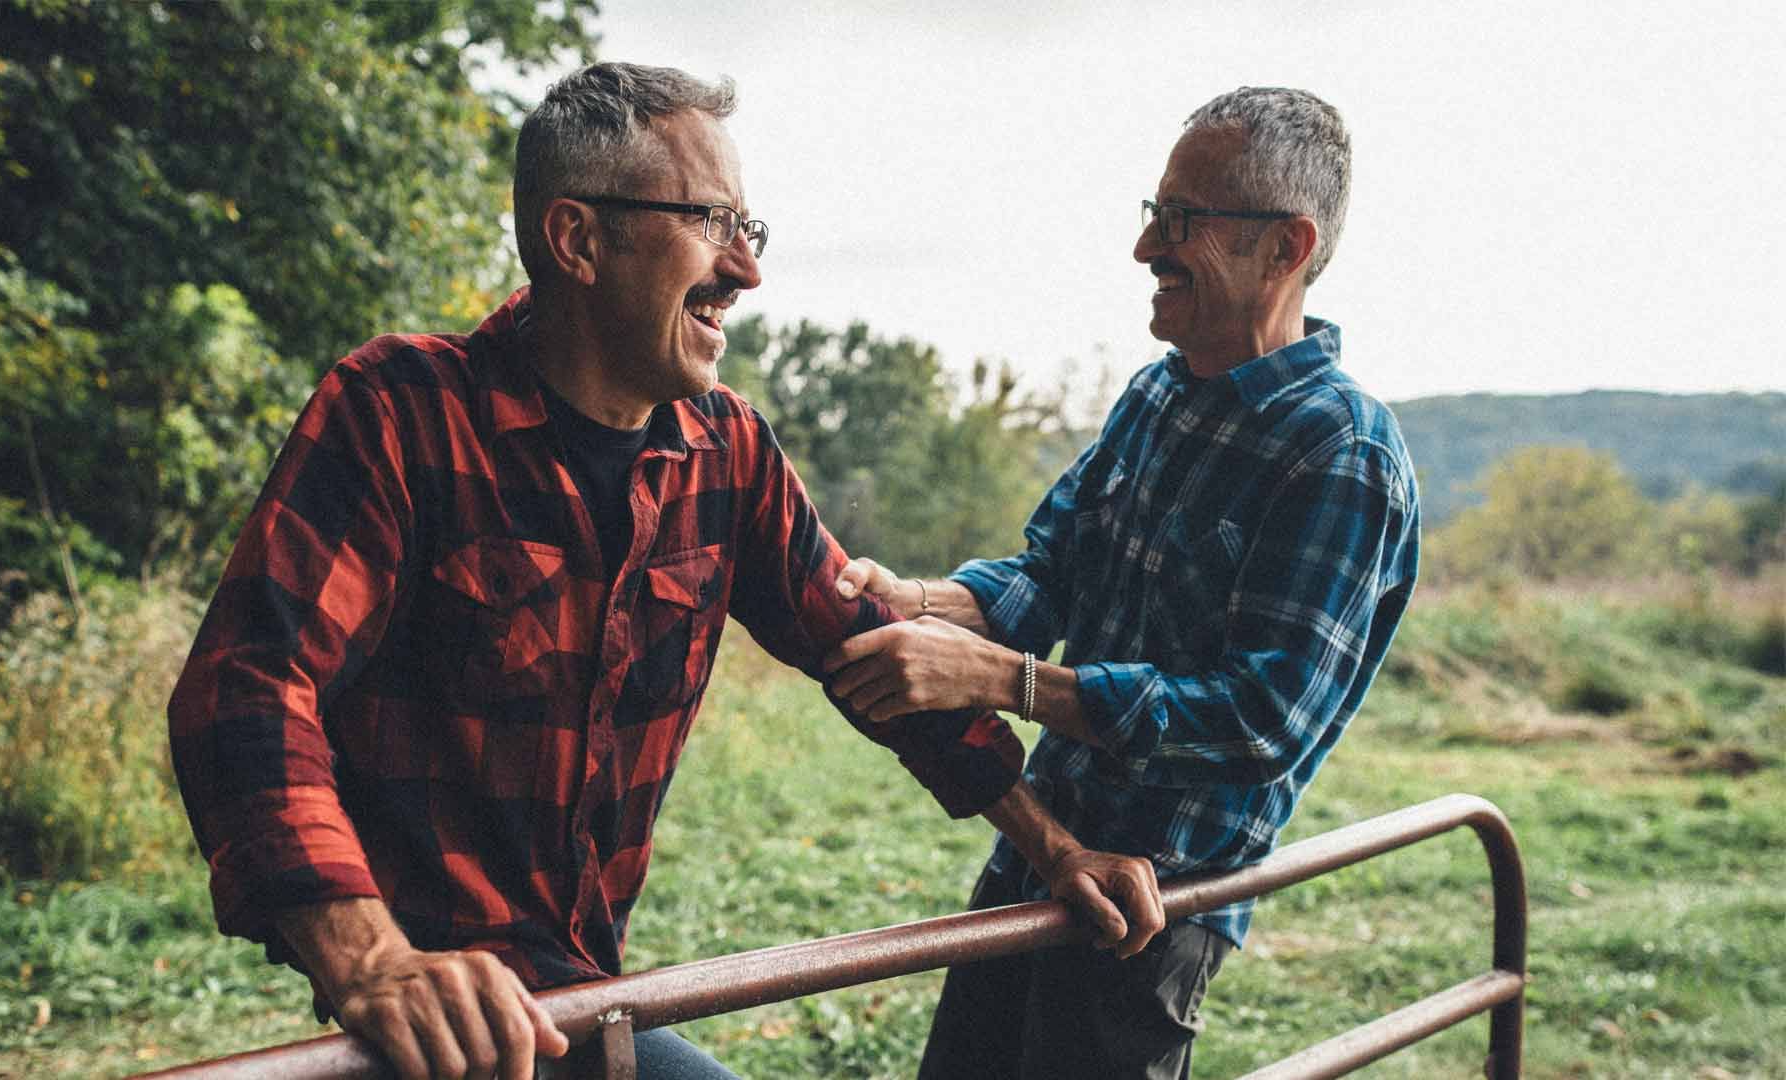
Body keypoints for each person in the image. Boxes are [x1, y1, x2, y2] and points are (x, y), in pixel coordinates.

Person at [168, 62, 1165, 1080]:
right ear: (578, 239)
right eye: (710, 221)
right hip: (425, 1022)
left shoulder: (726, 451)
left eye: (751, 229)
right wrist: (373, 962)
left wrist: (1056, 849)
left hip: (586, 996)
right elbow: (247, 690)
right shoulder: (400, 411)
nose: (748, 270)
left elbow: (872, 658)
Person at [825, 86, 1421, 1079]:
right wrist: (918, 599)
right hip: (1040, 847)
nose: (1148, 250)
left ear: (1287, 247)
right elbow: (1050, 575)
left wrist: (1005, 682)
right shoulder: (1157, 393)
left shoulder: (1341, 454)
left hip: (1156, 905)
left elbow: (1262, 721)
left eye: (1182, 222)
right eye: (1154, 215)